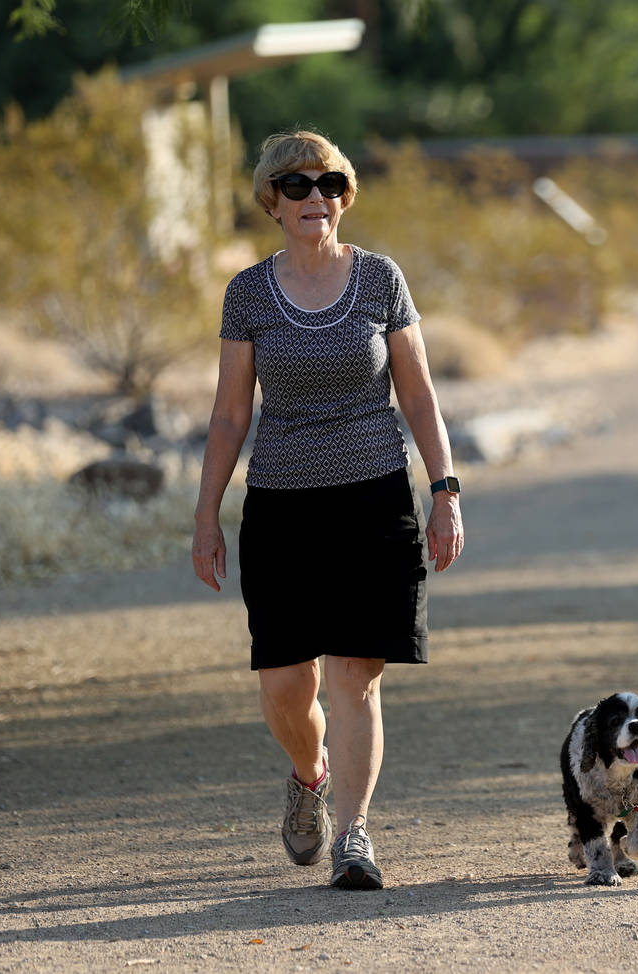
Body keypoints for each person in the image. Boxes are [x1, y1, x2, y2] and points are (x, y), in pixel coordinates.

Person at [191, 130, 464, 890]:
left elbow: (418, 393)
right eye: (299, 185)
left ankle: (355, 836)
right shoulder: (248, 292)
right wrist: (206, 514)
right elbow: (227, 417)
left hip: (374, 496)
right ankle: (308, 772)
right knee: (285, 684)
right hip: (280, 505)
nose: (318, 198)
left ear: (345, 196)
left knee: (355, 674)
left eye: (331, 184)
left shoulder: (380, 278)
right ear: (271, 201)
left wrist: (444, 492)